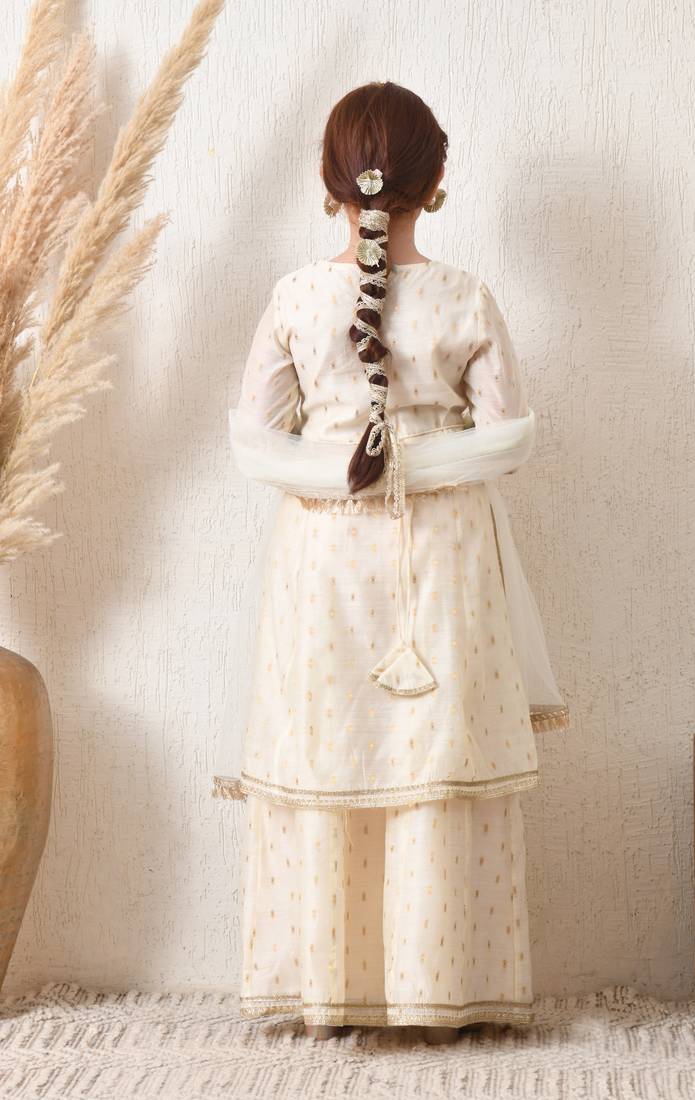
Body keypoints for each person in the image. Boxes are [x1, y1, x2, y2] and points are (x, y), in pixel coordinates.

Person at [213, 81, 568, 1044]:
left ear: (330, 182)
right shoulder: (465, 298)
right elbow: (508, 438)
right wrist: (415, 463)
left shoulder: (295, 297)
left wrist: (353, 471)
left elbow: (254, 443)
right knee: (435, 754)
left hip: (322, 563)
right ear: (435, 180)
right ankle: (437, 992)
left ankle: (329, 994)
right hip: (442, 558)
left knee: (331, 746)